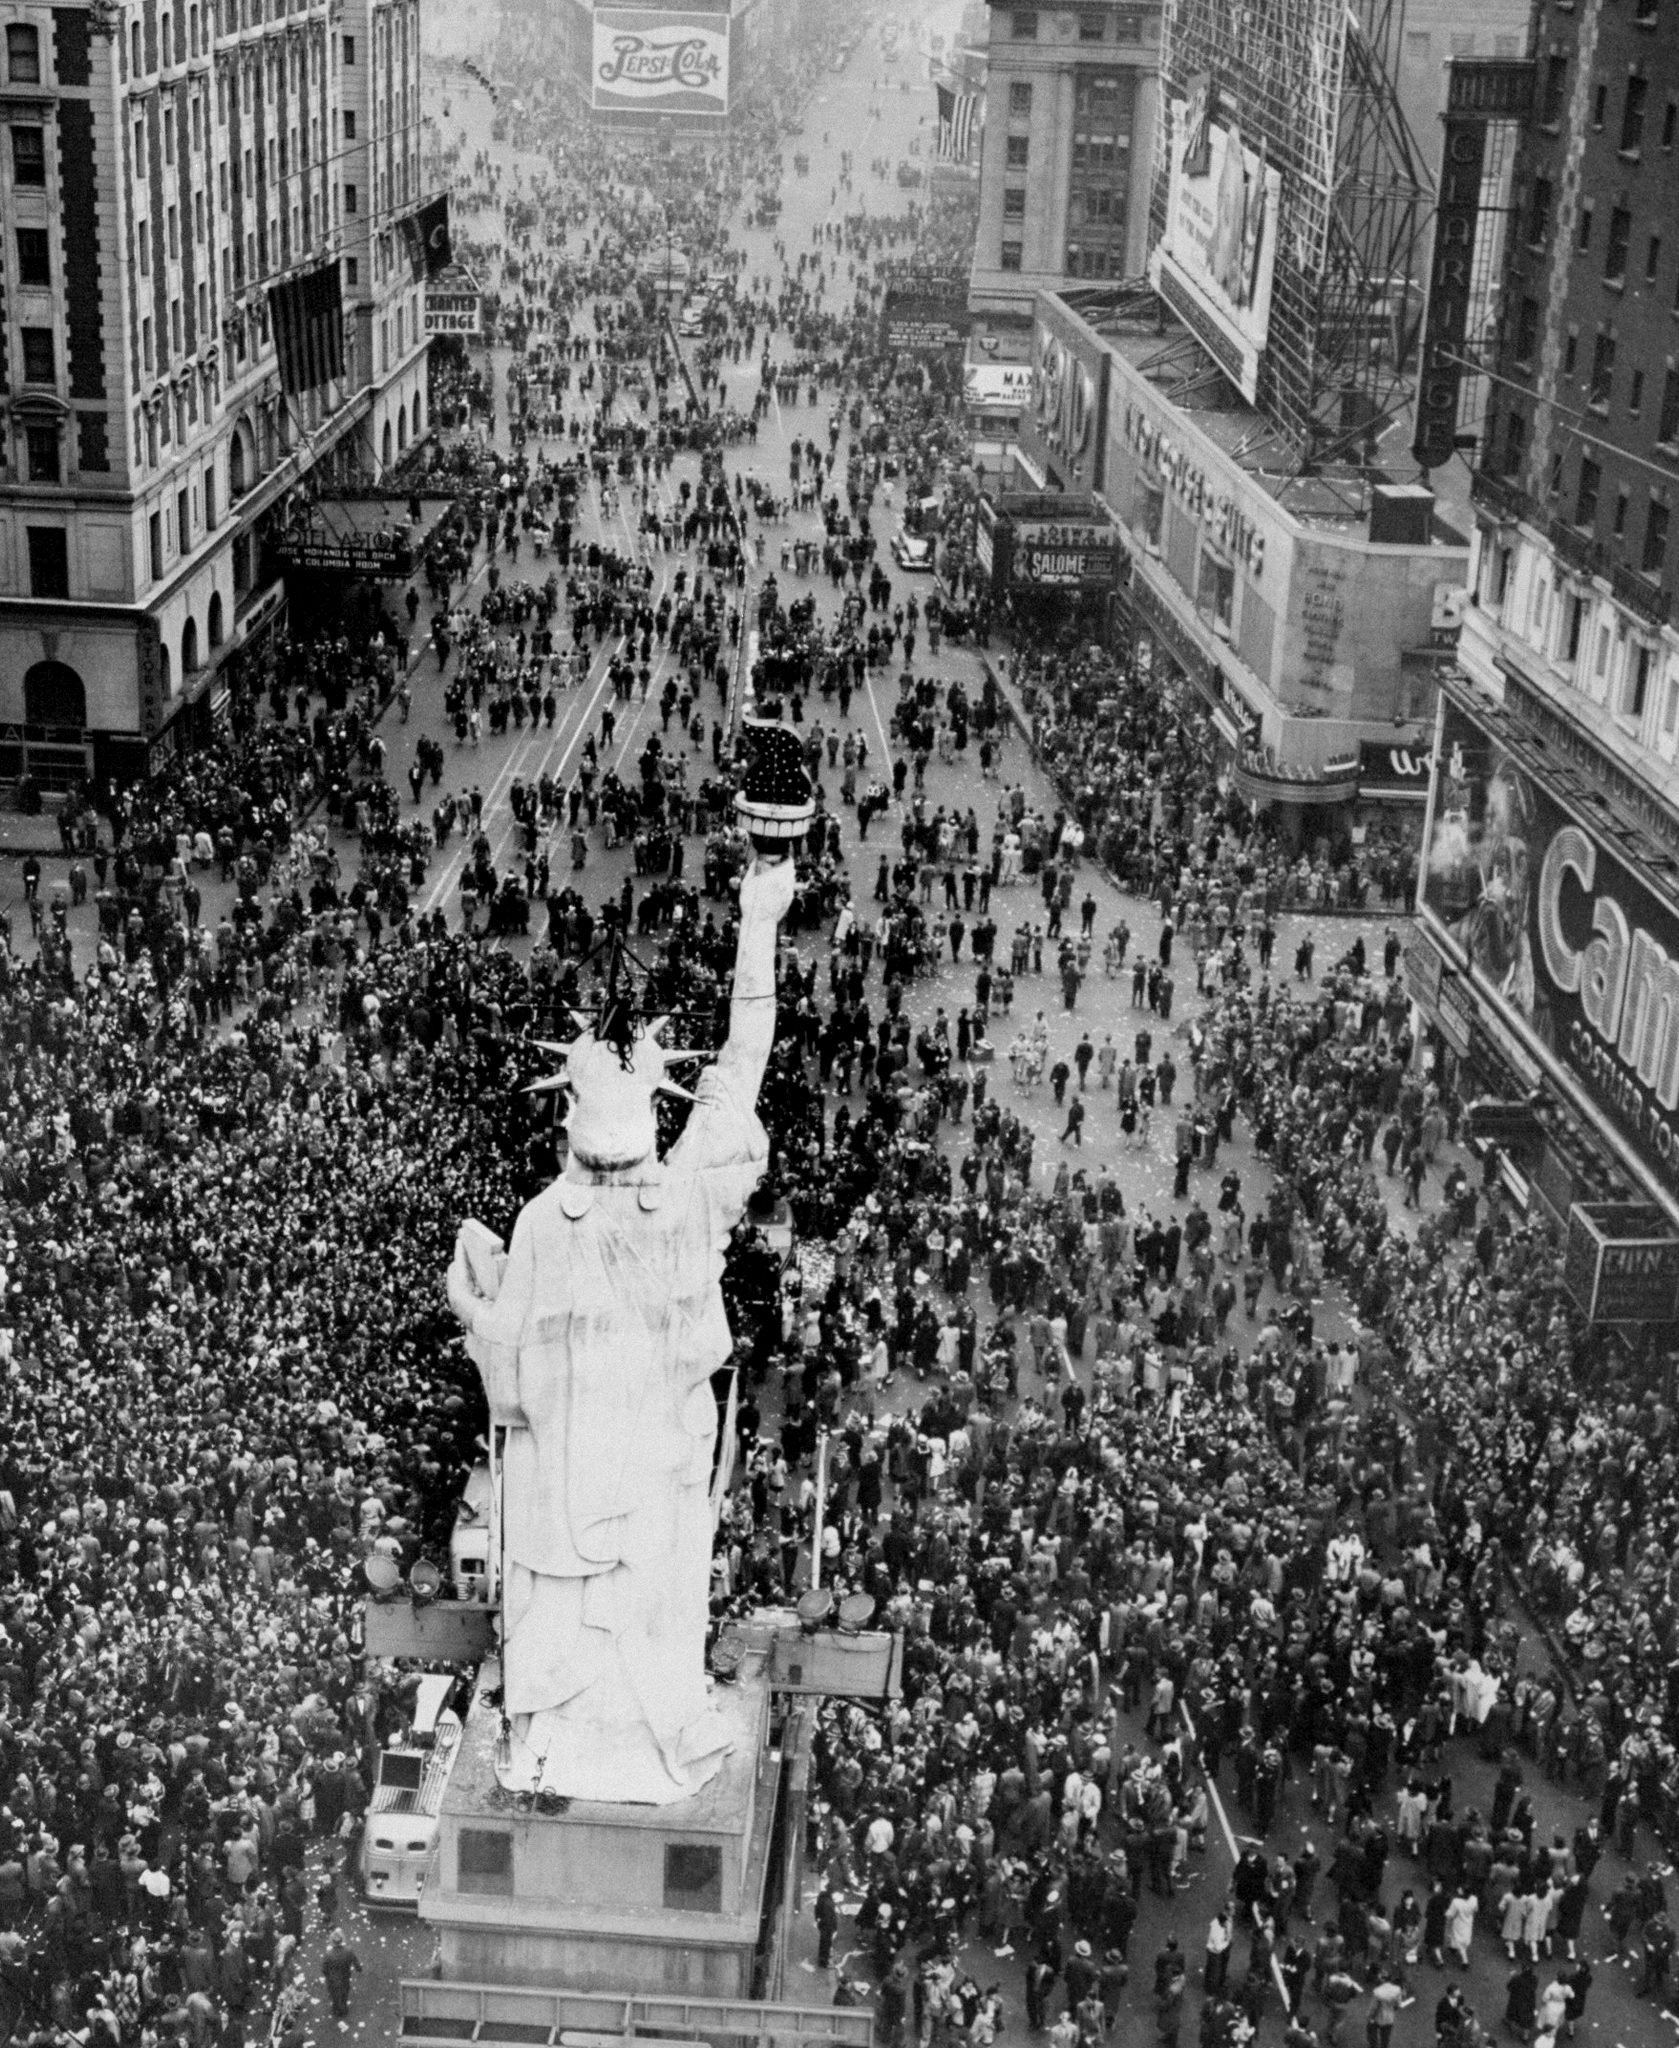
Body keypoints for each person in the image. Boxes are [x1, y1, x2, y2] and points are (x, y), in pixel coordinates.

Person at [322, 1930, 363, 2019]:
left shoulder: (328, 1954)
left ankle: (336, 2009)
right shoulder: (349, 1951)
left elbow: (324, 1969)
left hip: (332, 1979)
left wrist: (327, 1975)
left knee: (334, 1995)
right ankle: (344, 2007)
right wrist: (359, 1969)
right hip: (345, 1976)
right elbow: (356, 1963)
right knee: (344, 1993)